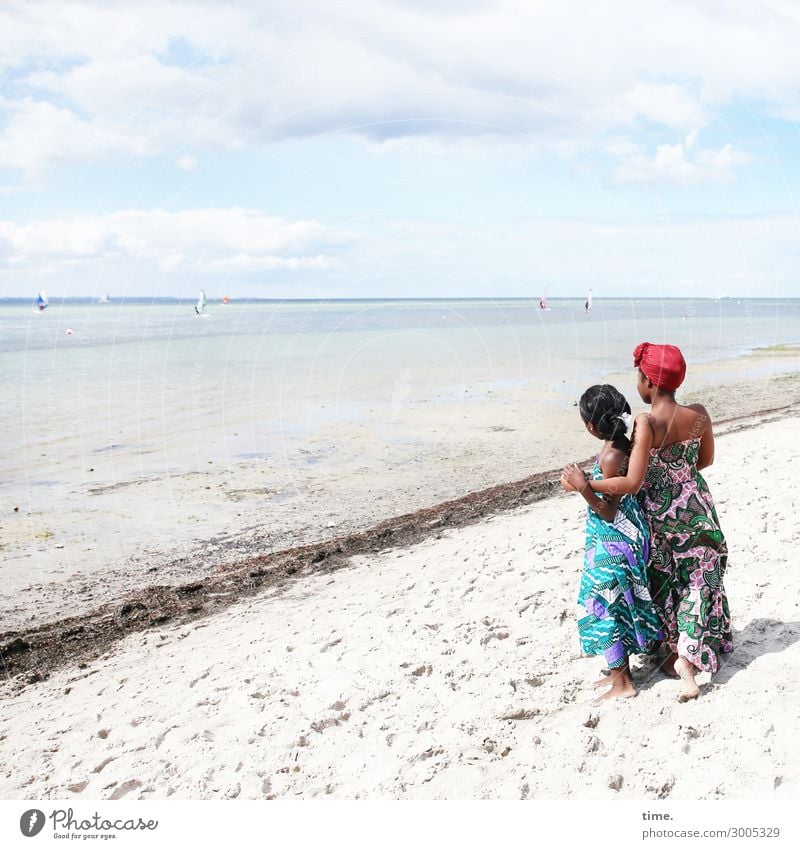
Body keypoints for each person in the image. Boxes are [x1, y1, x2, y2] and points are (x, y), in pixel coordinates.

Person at [563, 343, 732, 702]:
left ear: (649, 382)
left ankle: (677, 654)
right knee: (701, 576)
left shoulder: (645, 421)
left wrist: (586, 484)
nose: (637, 384)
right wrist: (679, 478)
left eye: (639, 377)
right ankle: (684, 653)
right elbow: (705, 460)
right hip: (697, 505)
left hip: (659, 512)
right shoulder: (699, 414)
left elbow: (634, 481)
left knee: (666, 578)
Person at [559, 384, 662, 700]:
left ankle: (623, 683)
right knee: (614, 600)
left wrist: (582, 487)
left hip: (616, 535)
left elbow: (606, 510)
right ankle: (620, 673)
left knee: (601, 601)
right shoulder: (618, 443)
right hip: (622, 532)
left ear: (590, 425)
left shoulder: (613, 454)